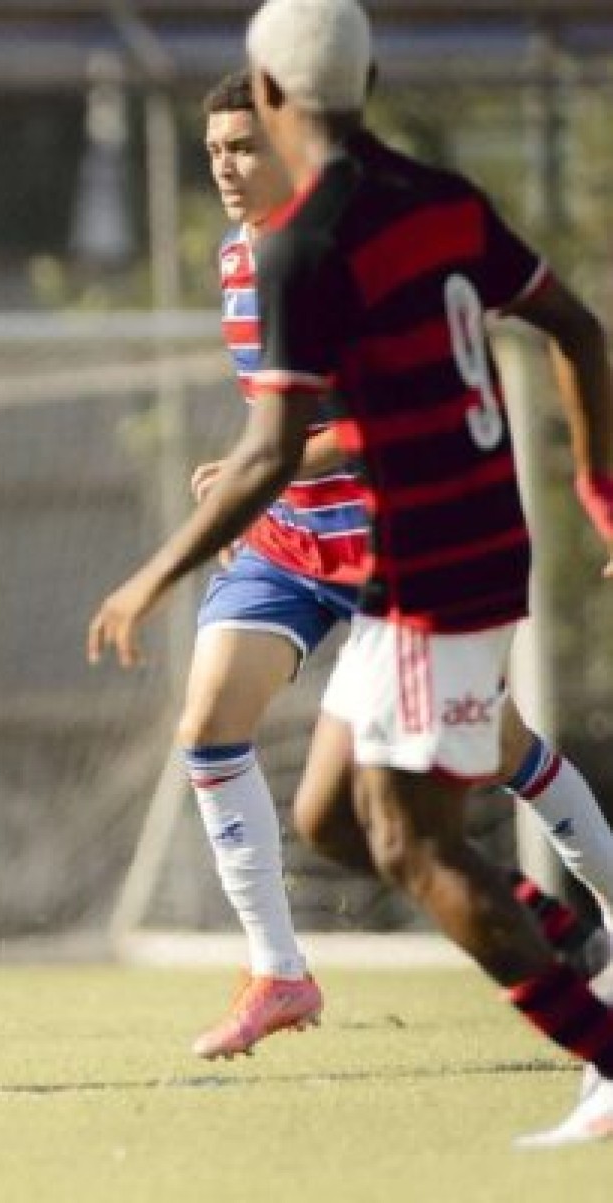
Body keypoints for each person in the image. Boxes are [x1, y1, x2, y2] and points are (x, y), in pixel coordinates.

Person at [89, 0, 613, 1146]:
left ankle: (603, 1046)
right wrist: (598, 487)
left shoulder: (307, 243)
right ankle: (540, 922)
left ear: (272, 94)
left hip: (431, 563)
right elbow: (578, 328)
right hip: (434, 557)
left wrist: (152, 577)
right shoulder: (444, 200)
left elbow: (275, 448)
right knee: (332, 816)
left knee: (416, 840)